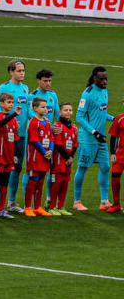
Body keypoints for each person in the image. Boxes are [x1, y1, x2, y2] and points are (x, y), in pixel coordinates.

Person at [74, 66, 110, 211]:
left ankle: (104, 202)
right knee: (82, 168)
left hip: (100, 138)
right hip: (88, 138)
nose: (105, 81)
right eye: (101, 79)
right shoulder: (87, 94)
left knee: (106, 166)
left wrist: (114, 118)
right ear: (94, 78)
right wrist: (94, 132)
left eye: (106, 78)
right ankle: (77, 201)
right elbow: (79, 117)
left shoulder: (105, 91)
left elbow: (101, 113)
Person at [0, 60, 30, 212]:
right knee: (3, 168)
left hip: (21, 135)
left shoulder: (25, 88)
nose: (22, 73)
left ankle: (11, 202)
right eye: (19, 70)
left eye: (23, 70)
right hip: (7, 137)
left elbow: (27, 110)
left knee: (17, 167)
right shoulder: (4, 88)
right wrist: (9, 122)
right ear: (11, 72)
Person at [0, 92, 21, 219]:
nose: (11, 105)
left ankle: (2, 209)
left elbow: (14, 138)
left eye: (12, 102)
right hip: (0, 155)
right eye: (9, 102)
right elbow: (1, 124)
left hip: (9, 156)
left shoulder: (13, 120)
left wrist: (14, 154)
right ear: (1, 104)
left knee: (5, 182)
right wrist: (13, 114)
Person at [23, 98, 53, 216]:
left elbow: (51, 137)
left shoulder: (47, 121)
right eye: (42, 107)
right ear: (35, 109)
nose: (45, 109)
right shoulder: (33, 122)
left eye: (46, 107)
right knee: (32, 182)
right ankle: (27, 207)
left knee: (41, 181)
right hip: (36, 157)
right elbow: (34, 140)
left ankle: (38, 206)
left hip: (45, 156)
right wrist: (44, 152)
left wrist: (50, 149)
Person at [48, 102, 77, 215]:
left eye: (70, 110)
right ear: (59, 112)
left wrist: (71, 157)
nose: (68, 112)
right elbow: (58, 145)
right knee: (57, 183)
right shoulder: (57, 126)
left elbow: (75, 144)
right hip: (59, 160)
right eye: (65, 110)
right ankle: (52, 207)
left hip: (68, 160)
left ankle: (61, 206)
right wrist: (68, 157)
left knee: (65, 183)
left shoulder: (74, 127)